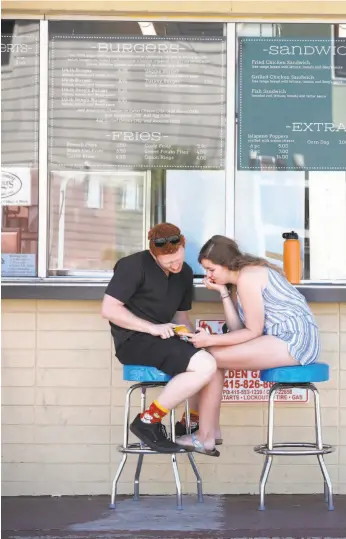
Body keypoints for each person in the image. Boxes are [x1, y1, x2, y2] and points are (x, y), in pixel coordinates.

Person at [176, 235, 321, 454]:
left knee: (210, 356)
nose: (208, 275)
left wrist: (210, 340)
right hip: (279, 338)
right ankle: (209, 432)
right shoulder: (238, 282)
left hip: (295, 339)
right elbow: (239, 332)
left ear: (226, 264)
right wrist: (223, 292)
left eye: (211, 269)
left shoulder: (249, 278)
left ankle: (205, 436)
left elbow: (252, 332)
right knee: (211, 357)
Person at [101, 223, 217, 454]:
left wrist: (192, 336)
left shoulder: (183, 273)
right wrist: (151, 328)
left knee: (210, 356)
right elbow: (110, 309)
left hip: (166, 339)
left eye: (179, 259)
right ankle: (147, 421)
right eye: (168, 262)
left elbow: (181, 317)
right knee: (204, 364)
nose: (175, 265)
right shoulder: (132, 266)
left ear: (183, 245)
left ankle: (189, 424)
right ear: (153, 255)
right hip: (133, 341)